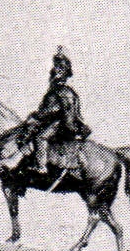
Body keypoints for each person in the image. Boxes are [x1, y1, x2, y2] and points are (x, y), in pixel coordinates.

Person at [21, 47, 90, 178]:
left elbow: (55, 110)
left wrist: (36, 116)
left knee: (40, 137)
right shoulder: (57, 89)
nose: (56, 70)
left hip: (62, 124)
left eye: (60, 68)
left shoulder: (63, 91)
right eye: (56, 66)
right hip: (57, 121)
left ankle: (40, 167)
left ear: (64, 72)